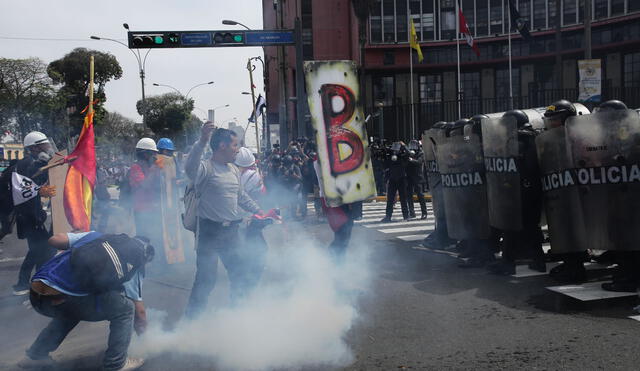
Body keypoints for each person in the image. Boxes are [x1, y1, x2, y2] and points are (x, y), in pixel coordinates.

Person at [18, 232, 153, 371]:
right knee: (125, 309)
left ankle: (35, 357)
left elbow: (54, 240)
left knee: (73, 310)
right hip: (64, 298)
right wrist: (146, 343)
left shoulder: (97, 236)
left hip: (37, 291)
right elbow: (140, 314)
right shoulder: (135, 262)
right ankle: (116, 364)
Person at [184, 123, 263, 318]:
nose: (238, 150)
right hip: (209, 232)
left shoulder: (234, 170)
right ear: (222, 146)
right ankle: (191, 322)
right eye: (235, 145)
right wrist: (202, 141)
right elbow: (190, 168)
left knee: (239, 274)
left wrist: (259, 211)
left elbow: (241, 196)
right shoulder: (206, 168)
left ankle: (235, 316)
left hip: (231, 233)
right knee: (206, 280)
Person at [12, 131, 57, 296]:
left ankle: (34, 282)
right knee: (40, 248)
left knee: (40, 248)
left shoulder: (34, 162)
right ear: (35, 148)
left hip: (33, 214)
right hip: (29, 215)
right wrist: (40, 187)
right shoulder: (27, 163)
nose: (48, 147)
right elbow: (27, 188)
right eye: (45, 145)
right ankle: (26, 283)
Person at [129, 138, 164, 266]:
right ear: (145, 154)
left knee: (156, 237)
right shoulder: (135, 168)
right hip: (141, 210)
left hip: (154, 209)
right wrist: (155, 170)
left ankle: (156, 263)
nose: (154, 156)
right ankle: (141, 263)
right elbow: (145, 185)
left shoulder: (151, 168)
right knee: (143, 238)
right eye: (152, 154)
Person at [380, 142, 410, 222]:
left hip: (401, 179)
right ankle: (388, 216)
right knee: (390, 199)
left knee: (403, 199)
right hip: (392, 179)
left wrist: (404, 146)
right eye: (394, 148)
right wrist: (385, 150)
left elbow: (408, 154)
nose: (395, 151)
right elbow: (383, 162)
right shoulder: (390, 156)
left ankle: (406, 216)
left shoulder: (402, 156)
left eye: (397, 148)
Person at [406, 139, 428, 220]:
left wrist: (411, 160)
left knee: (420, 195)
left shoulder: (421, 153)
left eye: (414, 145)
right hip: (409, 176)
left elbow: (419, 162)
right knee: (409, 195)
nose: (412, 147)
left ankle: (424, 213)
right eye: (411, 145)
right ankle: (412, 213)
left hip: (418, 176)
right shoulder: (409, 153)